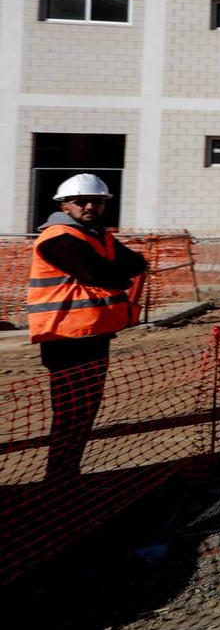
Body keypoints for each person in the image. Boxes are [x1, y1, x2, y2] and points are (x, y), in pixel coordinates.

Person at [27, 175, 148, 484]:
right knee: (70, 413)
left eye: (97, 201)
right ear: (64, 205)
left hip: (94, 334)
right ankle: (58, 477)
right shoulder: (58, 237)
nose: (90, 206)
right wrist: (115, 277)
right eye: (81, 201)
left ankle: (67, 473)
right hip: (65, 337)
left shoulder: (98, 236)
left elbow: (136, 263)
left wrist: (113, 275)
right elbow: (94, 272)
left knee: (85, 411)